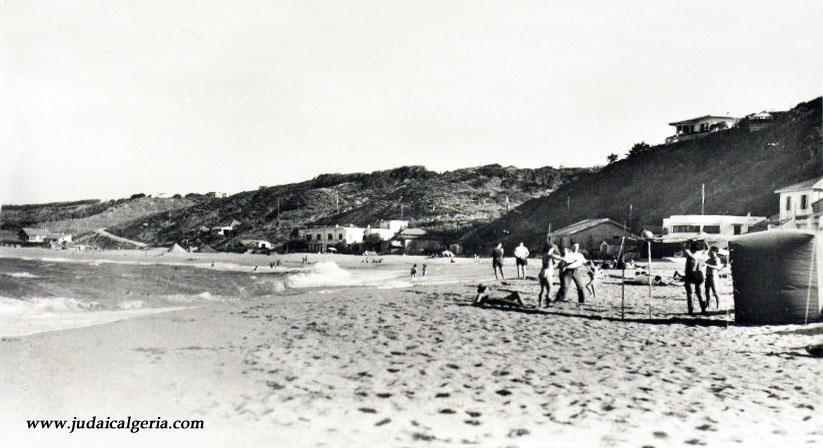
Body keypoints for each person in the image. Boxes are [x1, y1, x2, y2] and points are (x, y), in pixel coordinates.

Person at [683, 241, 707, 315]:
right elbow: (706, 249)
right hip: (699, 274)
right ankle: (703, 310)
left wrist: (687, 241)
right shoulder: (702, 255)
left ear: (691, 249)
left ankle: (691, 311)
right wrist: (705, 241)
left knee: (690, 294)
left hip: (691, 274)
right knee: (700, 294)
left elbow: (685, 249)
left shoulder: (691, 256)